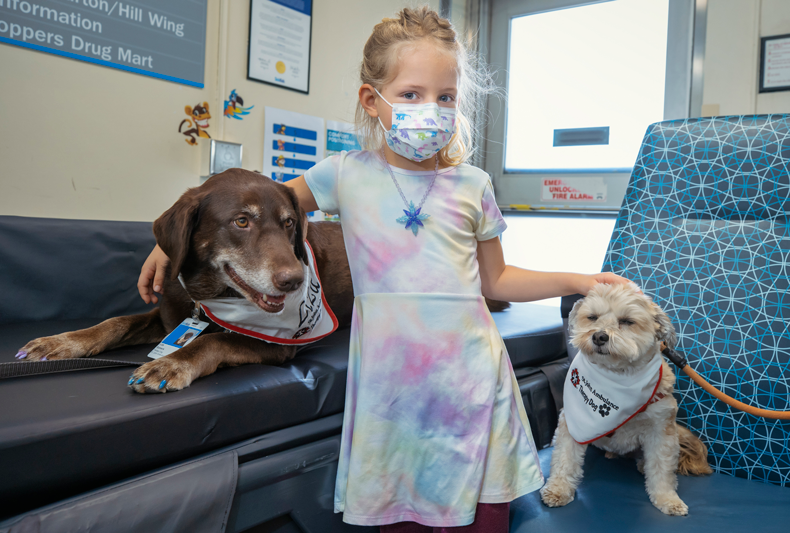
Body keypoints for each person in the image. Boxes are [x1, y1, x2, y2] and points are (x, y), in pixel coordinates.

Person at [137, 7, 629, 531]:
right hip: (391, 392)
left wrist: (579, 280)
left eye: (445, 97)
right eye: (411, 94)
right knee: (401, 510)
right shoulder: (342, 175)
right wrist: (170, 245)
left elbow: (498, 281)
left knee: (481, 513)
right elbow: (259, 204)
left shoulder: (474, 186)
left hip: (471, 380)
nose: (431, 109)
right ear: (373, 100)